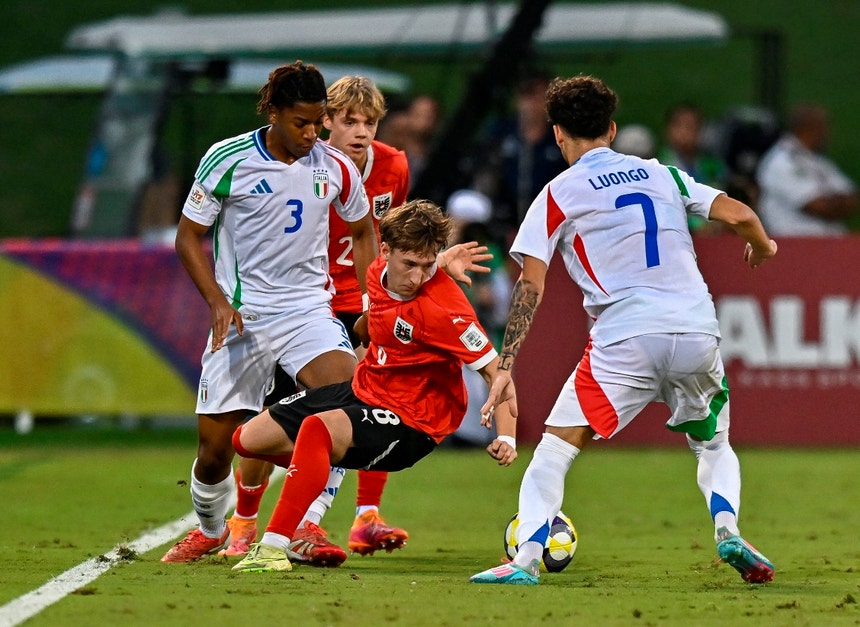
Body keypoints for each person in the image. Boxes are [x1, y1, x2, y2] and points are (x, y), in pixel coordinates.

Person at [469, 75, 778, 586]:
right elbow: (742, 215)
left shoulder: (557, 193)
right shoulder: (664, 175)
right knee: (713, 445)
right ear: (611, 130)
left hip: (625, 337)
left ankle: (524, 560)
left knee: (554, 451)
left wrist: (505, 366)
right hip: (697, 330)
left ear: (558, 134)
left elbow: (531, 286)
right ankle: (727, 528)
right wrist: (763, 247)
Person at [215, 74, 493, 566]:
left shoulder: (393, 165)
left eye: (371, 121)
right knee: (272, 417)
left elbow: (400, 235)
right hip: (309, 304)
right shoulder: (308, 163)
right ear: (326, 123)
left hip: (369, 301)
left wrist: (421, 272)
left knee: (372, 400)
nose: (362, 131)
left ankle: (342, 517)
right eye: (350, 121)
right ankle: (244, 520)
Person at [161, 61, 378, 563]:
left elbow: (364, 230)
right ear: (274, 112)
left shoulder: (336, 166)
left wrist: (371, 307)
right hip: (244, 315)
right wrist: (217, 300)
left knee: (348, 405)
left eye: (318, 121)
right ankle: (213, 529)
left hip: (308, 312)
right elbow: (187, 236)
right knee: (215, 453)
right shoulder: (228, 158)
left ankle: (305, 526)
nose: (311, 133)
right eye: (300, 122)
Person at [227, 199, 518, 573]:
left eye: (427, 266)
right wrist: (440, 264)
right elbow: (377, 313)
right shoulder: (377, 270)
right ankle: (312, 482)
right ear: (386, 251)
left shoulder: (446, 310)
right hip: (366, 390)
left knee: (318, 431)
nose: (417, 277)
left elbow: (500, 375)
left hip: (413, 421)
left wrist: (507, 436)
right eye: (410, 264)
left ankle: (275, 545)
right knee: (248, 440)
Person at [472, 70, 569, 245]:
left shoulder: (562, 134)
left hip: (553, 216)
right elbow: (484, 171)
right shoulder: (501, 132)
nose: (533, 103)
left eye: (541, 96)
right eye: (528, 95)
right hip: (504, 216)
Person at [755, 102, 857, 236]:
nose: (827, 132)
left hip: (830, 244)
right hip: (795, 246)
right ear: (809, 128)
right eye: (823, 126)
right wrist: (836, 202)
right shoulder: (781, 161)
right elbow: (816, 206)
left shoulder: (818, 161)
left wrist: (832, 203)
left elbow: (853, 198)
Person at [657, 103, 727, 234]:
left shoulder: (712, 165)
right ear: (668, 130)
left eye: (691, 127)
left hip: (713, 232)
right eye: (679, 126)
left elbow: (722, 196)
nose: (685, 132)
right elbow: (666, 207)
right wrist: (696, 225)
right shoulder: (659, 165)